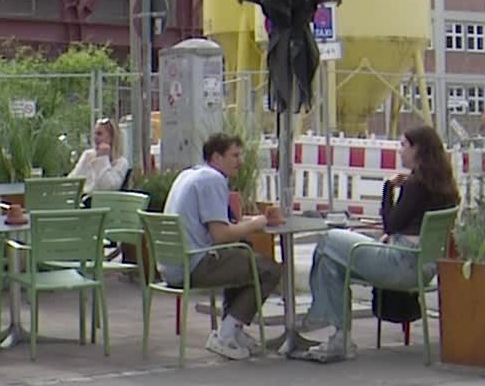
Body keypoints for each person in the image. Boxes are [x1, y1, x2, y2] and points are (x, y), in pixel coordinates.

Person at [292, 124, 460, 363]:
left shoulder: (414, 185)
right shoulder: (444, 187)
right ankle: (338, 337)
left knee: (329, 240)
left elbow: (391, 224)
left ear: (418, 149)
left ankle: (322, 317)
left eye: (403, 145)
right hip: (425, 267)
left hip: (401, 264)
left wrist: (387, 189)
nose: (400, 151)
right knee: (332, 262)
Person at [161, 133, 282, 361]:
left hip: (173, 265)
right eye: (234, 155)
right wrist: (258, 223)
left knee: (242, 256)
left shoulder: (190, 175)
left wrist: (250, 223)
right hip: (194, 265)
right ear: (217, 157)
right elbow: (220, 235)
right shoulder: (213, 180)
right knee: (268, 270)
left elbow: (219, 225)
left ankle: (233, 330)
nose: (240, 161)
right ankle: (225, 334)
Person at [68, 118, 131, 194]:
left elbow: (107, 187)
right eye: (94, 134)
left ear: (111, 137)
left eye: (99, 134)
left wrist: (102, 158)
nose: (95, 138)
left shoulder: (121, 162)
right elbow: (72, 180)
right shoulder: (88, 155)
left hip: (102, 202)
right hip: (82, 200)